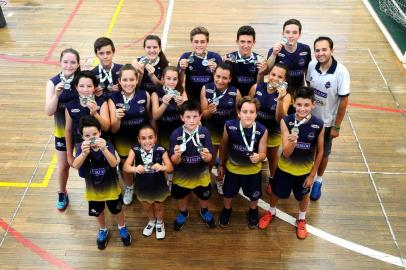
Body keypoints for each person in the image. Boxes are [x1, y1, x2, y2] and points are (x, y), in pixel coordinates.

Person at [258, 86, 324, 240]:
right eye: (299, 104)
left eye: (306, 105)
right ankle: (271, 211)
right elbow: (286, 153)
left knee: (304, 196)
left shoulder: (318, 124)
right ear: (294, 103)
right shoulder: (286, 121)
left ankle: (301, 219)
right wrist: (292, 143)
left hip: (305, 171)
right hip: (285, 168)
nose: (302, 108)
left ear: (313, 105)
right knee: (276, 192)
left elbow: (320, 151)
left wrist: (313, 174)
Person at [72, 116, 132, 249]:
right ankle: (103, 229)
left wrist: (104, 149)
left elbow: (114, 163)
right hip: (93, 189)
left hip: (111, 187)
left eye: (94, 134)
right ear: (82, 136)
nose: (92, 138)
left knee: (117, 210)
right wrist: (83, 154)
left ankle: (122, 227)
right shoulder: (80, 148)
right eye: (87, 135)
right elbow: (75, 165)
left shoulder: (107, 144)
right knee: (98, 211)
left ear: (100, 132)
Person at [306, 36, 350, 201]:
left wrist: (336, 126)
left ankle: (318, 180)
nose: (320, 53)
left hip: (326, 123)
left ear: (332, 50)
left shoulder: (341, 72)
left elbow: (344, 101)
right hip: (310, 119)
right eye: (317, 50)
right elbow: (309, 87)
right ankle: (307, 175)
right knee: (309, 150)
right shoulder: (311, 65)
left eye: (324, 49)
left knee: (323, 153)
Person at [217, 96, 268, 229]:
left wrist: (259, 156)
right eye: (245, 111)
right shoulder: (229, 125)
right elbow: (223, 146)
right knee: (228, 193)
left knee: (254, 195)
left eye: (252, 112)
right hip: (233, 168)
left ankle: (253, 210)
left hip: (253, 171)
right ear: (239, 113)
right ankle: (227, 209)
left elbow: (264, 153)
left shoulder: (262, 130)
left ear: (256, 114)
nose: (248, 115)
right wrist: (221, 165)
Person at [108, 64, 151, 205]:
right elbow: (113, 129)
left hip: (141, 140)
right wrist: (117, 118)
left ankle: (143, 184)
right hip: (122, 139)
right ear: (119, 81)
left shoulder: (145, 95)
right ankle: (130, 187)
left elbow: (149, 118)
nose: (128, 83)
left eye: (131, 79)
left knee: (143, 162)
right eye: (125, 80)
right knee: (125, 165)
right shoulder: (113, 98)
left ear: (137, 79)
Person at [169, 100, 215, 231]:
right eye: (188, 117)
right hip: (182, 175)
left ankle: (204, 210)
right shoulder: (176, 134)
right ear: (182, 118)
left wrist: (207, 157)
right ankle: (183, 212)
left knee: (204, 195)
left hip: (201, 175)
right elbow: (174, 161)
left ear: (200, 116)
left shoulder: (205, 132)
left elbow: (210, 157)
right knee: (181, 196)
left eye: (195, 116)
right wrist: (177, 156)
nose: (191, 120)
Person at [45, 48, 80, 210]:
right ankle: (62, 191)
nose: (69, 65)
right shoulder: (52, 83)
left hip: (80, 132)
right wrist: (57, 95)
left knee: (85, 162)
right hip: (61, 131)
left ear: (78, 64)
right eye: (65, 62)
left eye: (73, 62)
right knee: (63, 166)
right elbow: (49, 111)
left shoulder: (81, 80)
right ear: (60, 62)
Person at [123, 125, 173, 240]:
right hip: (142, 185)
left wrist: (162, 167)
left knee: (159, 206)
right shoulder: (134, 150)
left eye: (150, 137)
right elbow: (125, 167)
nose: (147, 141)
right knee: (147, 207)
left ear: (155, 138)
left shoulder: (161, 150)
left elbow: (170, 167)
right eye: (143, 138)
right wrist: (134, 169)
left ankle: (160, 223)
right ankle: (151, 221)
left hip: (158, 185)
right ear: (138, 139)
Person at [249, 63, 291, 194]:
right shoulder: (256, 88)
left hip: (273, 132)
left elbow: (281, 119)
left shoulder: (286, 96)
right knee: (254, 154)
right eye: (273, 74)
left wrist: (279, 100)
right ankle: (252, 177)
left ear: (285, 80)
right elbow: (248, 108)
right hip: (256, 130)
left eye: (280, 76)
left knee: (272, 158)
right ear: (269, 74)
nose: (275, 78)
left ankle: (273, 179)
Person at [200, 62, 241, 195]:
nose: (220, 80)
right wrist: (210, 111)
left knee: (223, 161)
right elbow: (204, 116)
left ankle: (220, 179)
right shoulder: (206, 89)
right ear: (214, 75)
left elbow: (239, 115)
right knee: (210, 161)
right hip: (211, 131)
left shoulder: (235, 92)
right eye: (218, 76)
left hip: (227, 133)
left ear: (230, 79)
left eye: (224, 78)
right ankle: (205, 182)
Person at [65, 71, 110, 167]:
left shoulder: (101, 102)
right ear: (76, 87)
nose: (85, 90)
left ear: (94, 87)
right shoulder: (70, 105)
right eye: (81, 86)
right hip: (81, 146)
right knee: (85, 174)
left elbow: (106, 127)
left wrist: (95, 114)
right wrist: (69, 154)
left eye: (89, 86)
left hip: (100, 146)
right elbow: (68, 131)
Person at [265, 19, 311, 94]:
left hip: (298, 92)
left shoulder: (305, 49)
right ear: (283, 34)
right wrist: (274, 54)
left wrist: (308, 89)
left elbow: (307, 71)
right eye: (287, 32)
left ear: (299, 35)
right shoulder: (274, 50)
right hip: (279, 92)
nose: (290, 36)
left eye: (295, 33)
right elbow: (267, 71)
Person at [178, 26, 222, 103]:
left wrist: (215, 71)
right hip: (191, 99)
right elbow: (179, 81)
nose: (199, 45)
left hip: (211, 99)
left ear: (207, 42)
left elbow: (222, 83)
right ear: (191, 42)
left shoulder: (215, 57)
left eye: (202, 42)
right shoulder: (185, 57)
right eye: (196, 42)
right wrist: (182, 70)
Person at [151, 66, 187, 150]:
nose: (171, 82)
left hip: (179, 131)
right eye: (168, 78)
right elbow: (155, 116)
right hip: (163, 131)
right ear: (162, 79)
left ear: (178, 80)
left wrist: (181, 105)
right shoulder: (156, 94)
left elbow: (187, 114)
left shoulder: (181, 91)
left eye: (174, 79)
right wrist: (164, 104)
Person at [224, 25, 264, 97]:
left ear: (254, 42)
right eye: (242, 42)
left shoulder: (260, 59)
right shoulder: (228, 58)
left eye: (249, 42)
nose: (245, 45)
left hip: (251, 100)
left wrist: (261, 73)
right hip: (232, 98)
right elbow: (223, 83)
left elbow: (260, 86)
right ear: (237, 42)